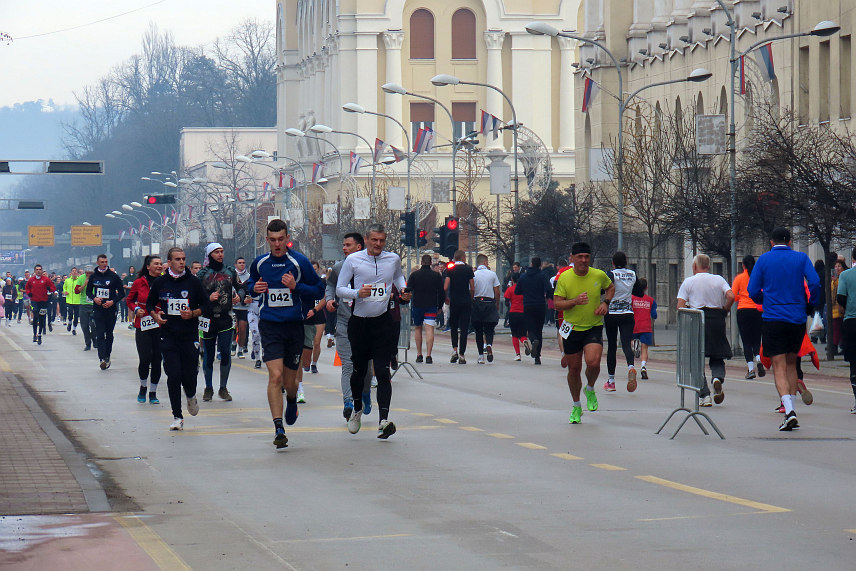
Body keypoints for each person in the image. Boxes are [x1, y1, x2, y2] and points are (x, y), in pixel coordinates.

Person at [247, 219, 324, 449]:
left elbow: (319, 290)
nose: (277, 244)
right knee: (275, 377)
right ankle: (278, 427)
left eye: (281, 239)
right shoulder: (260, 263)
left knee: (290, 383)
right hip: (270, 326)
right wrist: (254, 288)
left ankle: (292, 400)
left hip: (293, 327)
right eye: (272, 240)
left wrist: (296, 287)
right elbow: (250, 283)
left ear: (287, 237)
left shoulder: (299, 262)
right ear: (267, 240)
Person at [336, 224, 411, 438]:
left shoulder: (393, 259)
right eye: (374, 240)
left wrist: (403, 290)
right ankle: (357, 409)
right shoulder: (353, 260)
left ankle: (384, 420)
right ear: (366, 240)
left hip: (383, 322)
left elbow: (398, 277)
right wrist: (358, 293)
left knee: (382, 371)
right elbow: (341, 290)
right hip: (359, 324)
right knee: (359, 371)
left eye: (382, 240)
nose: (378, 244)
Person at [748, 227, 820, 430]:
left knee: (778, 365)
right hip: (796, 318)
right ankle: (792, 408)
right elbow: (814, 282)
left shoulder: (763, 260)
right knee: (791, 363)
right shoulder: (801, 258)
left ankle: (789, 411)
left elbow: (752, 290)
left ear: (772, 242)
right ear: (790, 242)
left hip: (773, 317)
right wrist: (810, 302)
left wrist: (765, 299)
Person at [147, 247, 209, 430]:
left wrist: (193, 313)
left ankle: (190, 394)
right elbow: (151, 303)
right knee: (173, 375)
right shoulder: (161, 282)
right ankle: (177, 417)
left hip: (189, 335)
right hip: (168, 335)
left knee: (189, 374)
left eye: (183, 259)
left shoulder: (193, 282)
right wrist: (155, 315)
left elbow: (206, 305)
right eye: (177, 259)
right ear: (170, 262)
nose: (182, 262)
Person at [553, 242, 614, 424]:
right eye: (579, 257)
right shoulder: (565, 278)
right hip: (572, 328)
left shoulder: (599, 275)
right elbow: (557, 303)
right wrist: (574, 302)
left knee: (593, 363)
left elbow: (610, 287)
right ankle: (577, 405)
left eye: (586, 257)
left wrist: (606, 303)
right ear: (572, 258)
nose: (583, 260)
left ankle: (590, 388)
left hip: (593, 326)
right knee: (574, 369)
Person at [677, 254, 734, 407]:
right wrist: (724, 310)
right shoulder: (719, 280)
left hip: (698, 320)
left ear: (694, 266)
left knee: (695, 360)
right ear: (708, 266)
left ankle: (704, 395)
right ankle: (717, 378)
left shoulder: (689, 281)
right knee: (717, 355)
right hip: (717, 320)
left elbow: (680, 306)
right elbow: (731, 296)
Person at [326, 232, 374, 418]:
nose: (344, 248)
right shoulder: (339, 267)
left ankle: (365, 393)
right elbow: (330, 286)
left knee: (366, 367)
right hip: (345, 322)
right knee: (347, 364)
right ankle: (348, 402)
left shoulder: (372, 268)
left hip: (367, 322)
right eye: (343, 245)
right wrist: (330, 300)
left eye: (348, 245)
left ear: (359, 247)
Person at [197, 243, 244, 403]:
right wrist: (207, 298)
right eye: (216, 252)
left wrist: (239, 297)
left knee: (225, 352)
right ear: (210, 255)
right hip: (208, 319)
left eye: (222, 252)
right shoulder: (203, 273)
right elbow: (194, 294)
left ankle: (223, 388)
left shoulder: (230, 271)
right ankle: (208, 388)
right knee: (208, 355)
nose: (220, 254)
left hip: (225, 318)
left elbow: (241, 288)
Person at [126, 255, 163, 404]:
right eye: (156, 264)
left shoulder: (165, 282)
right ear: (148, 266)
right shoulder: (139, 283)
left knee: (157, 359)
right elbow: (129, 300)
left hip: (159, 325)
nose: (159, 266)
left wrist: (163, 311)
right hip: (143, 324)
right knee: (145, 358)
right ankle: (143, 387)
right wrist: (136, 310)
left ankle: (153, 392)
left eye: (161, 264)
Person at [604, 252, 638, 391]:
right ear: (626, 262)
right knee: (626, 344)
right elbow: (639, 292)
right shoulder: (632, 274)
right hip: (628, 313)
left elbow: (602, 289)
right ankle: (631, 367)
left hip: (612, 313)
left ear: (613, 262)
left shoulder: (610, 274)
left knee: (612, 347)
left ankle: (611, 381)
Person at [86, 254, 125, 370]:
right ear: (97, 263)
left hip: (110, 309)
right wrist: (94, 298)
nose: (104, 264)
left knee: (109, 334)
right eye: (102, 262)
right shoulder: (93, 277)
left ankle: (107, 356)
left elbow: (122, 293)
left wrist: (113, 302)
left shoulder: (114, 276)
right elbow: (88, 291)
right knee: (99, 333)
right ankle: (101, 358)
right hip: (98, 309)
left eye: (106, 262)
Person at [407, 253, 445, 364]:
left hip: (418, 305)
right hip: (431, 305)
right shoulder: (436, 275)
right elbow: (441, 292)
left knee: (418, 328)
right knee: (429, 329)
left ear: (421, 262)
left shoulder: (414, 275)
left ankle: (419, 354)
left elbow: (409, 289)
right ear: (430, 263)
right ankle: (429, 355)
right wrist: (440, 306)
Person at [732, 255, 765, 380]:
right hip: (757, 310)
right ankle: (758, 359)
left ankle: (751, 369)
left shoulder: (739, 278)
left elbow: (734, 296)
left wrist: (742, 297)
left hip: (743, 311)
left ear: (743, 265)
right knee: (757, 339)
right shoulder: (759, 277)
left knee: (746, 341)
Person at [515, 257, 553, 365]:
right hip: (540, 305)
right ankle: (537, 357)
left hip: (528, 305)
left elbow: (517, 291)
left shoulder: (524, 276)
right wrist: (548, 296)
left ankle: (532, 340)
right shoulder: (543, 276)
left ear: (531, 264)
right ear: (540, 265)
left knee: (530, 328)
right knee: (539, 329)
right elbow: (549, 289)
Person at [445, 250, 474, 364]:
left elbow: (445, 286)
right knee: (464, 328)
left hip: (454, 301)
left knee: (453, 327)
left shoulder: (450, 270)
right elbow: (472, 287)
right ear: (463, 258)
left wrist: (447, 298)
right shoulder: (468, 269)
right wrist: (470, 298)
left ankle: (454, 350)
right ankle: (462, 355)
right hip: (466, 301)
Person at [471, 254, 501, 364]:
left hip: (477, 302)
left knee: (478, 330)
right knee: (489, 328)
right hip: (489, 302)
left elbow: (472, 290)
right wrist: (497, 303)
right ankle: (488, 344)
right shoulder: (492, 274)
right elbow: (497, 292)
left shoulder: (473, 275)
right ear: (485, 262)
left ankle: (480, 356)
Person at [837, 248, 856, 413]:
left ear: (853, 258)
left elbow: (841, 298)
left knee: (853, 362)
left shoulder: (845, 275)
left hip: (851, 321)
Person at [303, 261, 327, 374]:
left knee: (317, 342)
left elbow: (327, 296)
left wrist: (316, 308)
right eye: (311, 269)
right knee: (307, 342)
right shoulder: (304, 282)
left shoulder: (322, 282)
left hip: (319, 315)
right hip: (307, 314)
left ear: (318, 270)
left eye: (315, 269)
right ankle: (306, 361)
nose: (313, 271)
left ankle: (314, 364)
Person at [631, 278, 657, 380]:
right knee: (645, 348)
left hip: (634, 326)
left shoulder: (631, 298)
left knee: (631, 340)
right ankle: (643, 367)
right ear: (646, 288)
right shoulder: (651, 300)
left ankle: (633, 346)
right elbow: (654, 315)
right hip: (646, 327)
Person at [25, 264, 56, 345]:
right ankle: (34, 334)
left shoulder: (46, 279)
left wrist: (50, 289)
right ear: (34, 271)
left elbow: (53, 287)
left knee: (42, 318)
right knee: (35, 316)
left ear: (42, 271)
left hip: (43, 301)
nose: (38, 271)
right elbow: (27, 288)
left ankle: (39, 335)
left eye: (40, 269)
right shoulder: (31, 280)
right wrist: (29, 293)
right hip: (34, 301)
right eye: (37, 269)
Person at [504, 272, 528, 361]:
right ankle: (524, 341)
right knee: (522, 333)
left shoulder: (510, 289)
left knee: (514, 334)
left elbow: (506, 302)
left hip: (513, 313)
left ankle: (518, 354)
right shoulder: (524, 289)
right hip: (523, 313)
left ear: (512, 280)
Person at [233, 256, 251, 359]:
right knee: (234, 327)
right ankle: (233, 343)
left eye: (243, 263)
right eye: (239, 263)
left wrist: (249, 297)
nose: (242, 264)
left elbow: (251, 289)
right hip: (233, 306)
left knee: (243, 327)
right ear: (235, 264)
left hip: (244, 307)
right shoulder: (232, 275)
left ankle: (240, 349)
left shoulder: (249, 276)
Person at [76, 266, 96, 351]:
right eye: (87, 273)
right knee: (84, 326)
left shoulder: (97, 277)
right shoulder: (81, 278)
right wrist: (84, 284)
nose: (89, 275)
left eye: (90, 274)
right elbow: (77, 291)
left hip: (94, 304)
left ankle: (94, 339)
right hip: (84, 304)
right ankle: (88, 343)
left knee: (94, 324)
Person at [63, 268, 81, 335]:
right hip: (69, 300)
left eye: (75, 271)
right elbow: (64, 287)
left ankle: (74, 329)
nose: (74, 272)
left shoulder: (79, 280)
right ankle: (70, 322)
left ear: (77, 273)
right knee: (70, 314)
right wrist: (65, 291)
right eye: (73, 271)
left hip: (77, 301)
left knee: (76, 316)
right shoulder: (67, 280)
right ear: (71, 273)